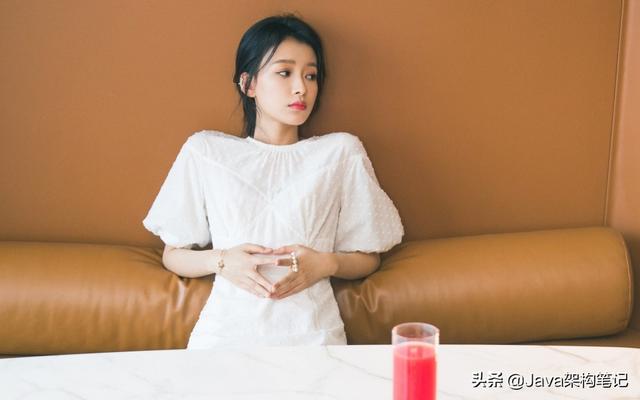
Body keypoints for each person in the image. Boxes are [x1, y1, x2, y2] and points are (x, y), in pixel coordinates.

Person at [142, 13, 404, 348]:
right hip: (224, 339)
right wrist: (222, 260)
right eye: (285, 72)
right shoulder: (206, 152)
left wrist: (325, 263)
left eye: (311, 75)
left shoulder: (340, 152)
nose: (301, 88)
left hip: (314, 339)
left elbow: (368, 256)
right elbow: (173, 254)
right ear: (248, 84)